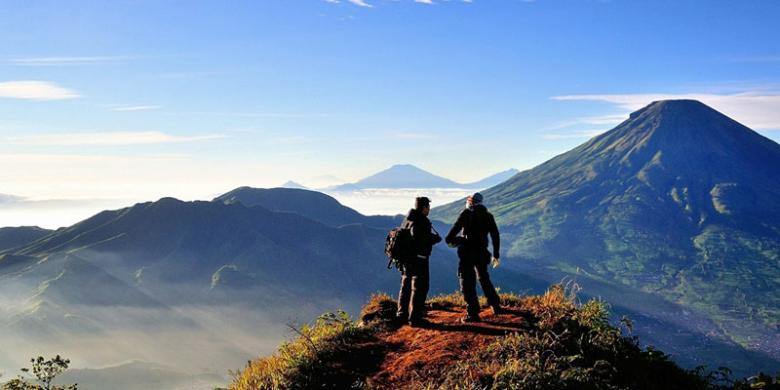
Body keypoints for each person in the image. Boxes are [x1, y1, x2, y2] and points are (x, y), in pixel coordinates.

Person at [445, 192, 504, 323]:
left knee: (467, 282)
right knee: (484, 278)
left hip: (467, 254)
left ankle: (473, 313)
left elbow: (450, 237)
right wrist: (496, 254)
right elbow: (495, 235)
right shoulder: (488, 216)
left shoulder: (465, 214)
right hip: (482, 253)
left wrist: (459, 240)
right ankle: (495, 305)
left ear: (471, 202)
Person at [397, 196, 442, 327]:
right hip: (419, 259)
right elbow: (420, 239)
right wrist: (435, 239)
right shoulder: (422, 220)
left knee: (405, 286)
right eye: (428, 207)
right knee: (420, 287)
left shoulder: (408, 219)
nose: (429, 210)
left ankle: (401, 314)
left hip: (405, 259)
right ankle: (415, 318)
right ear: (424, 208)